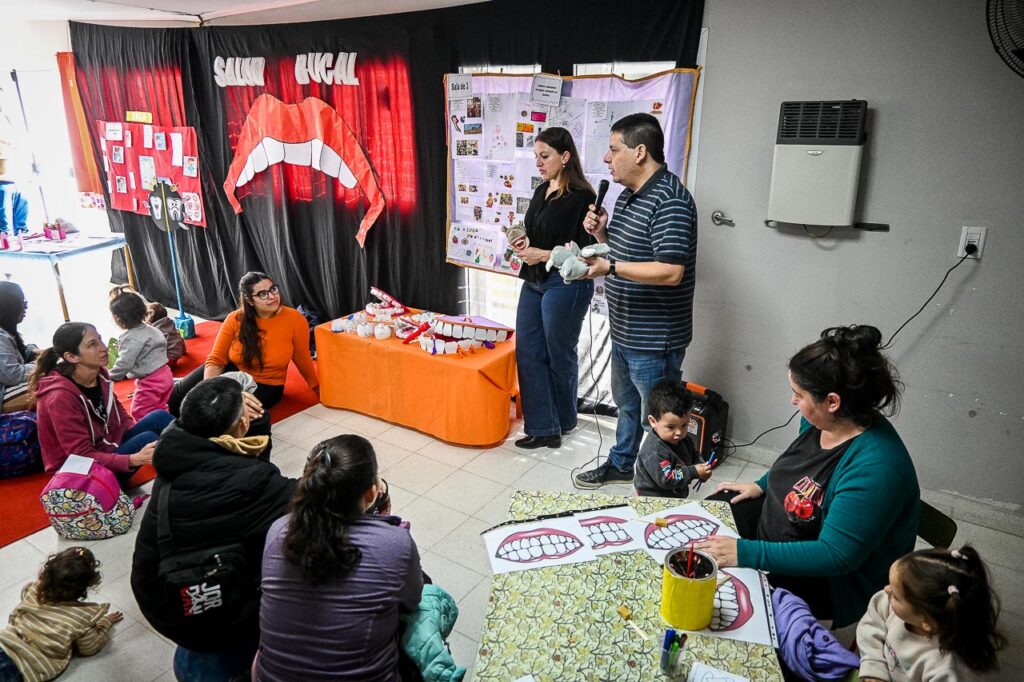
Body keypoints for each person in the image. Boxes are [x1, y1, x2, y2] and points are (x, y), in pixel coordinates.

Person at [695, 324, 920, 630]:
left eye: (798, 394)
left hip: (830, 579)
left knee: (729, 604)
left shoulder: (876, 468)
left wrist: (746, 553)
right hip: (786, 531)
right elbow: (802, 466)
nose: (793, 401)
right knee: (709, 514)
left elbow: (835, 555)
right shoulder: (824, 422)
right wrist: (762, 485)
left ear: (832, 401)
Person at [132, 376, 296, 682]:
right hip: (217, 623)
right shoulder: (251, 484)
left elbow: (239, 468)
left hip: (163, 600)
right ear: (241, 425)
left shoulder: (176, 455)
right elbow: (306, 497)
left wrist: (254, 424)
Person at [574, 113, 698, 488]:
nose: (607, 158)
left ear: (640, 152)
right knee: (627, 406)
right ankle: (623, 463)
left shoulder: (670, 200)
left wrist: (610, 267)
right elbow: (628, 254)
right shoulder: (630, 196)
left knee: (658, 419)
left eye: (614, 149)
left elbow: (671, 271)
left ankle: (659, 484)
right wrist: (603, 233)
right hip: (626, 331)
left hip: (655, 338)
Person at [256, 434, 423, 681]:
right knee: (432, 602)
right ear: (371, 494)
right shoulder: (395, 542)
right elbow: (411, 601)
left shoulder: (278, 530)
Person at [512, 127, 596, 449]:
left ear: (565, 157)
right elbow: (537, 233)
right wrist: (523, 242)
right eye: (536, 156)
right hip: (534, 279)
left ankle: (564, 419)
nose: (538, 162)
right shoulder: (540, 191)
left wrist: (544, 254)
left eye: (545, 156)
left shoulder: (583, 198)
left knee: (558, 353)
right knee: (528, 351)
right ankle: (543, 427)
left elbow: (587, 254)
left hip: (565, 283)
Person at [168, 272, 318, 445]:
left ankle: (190, 440)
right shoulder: (235, 318)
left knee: (220, 415)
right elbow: (216, 359)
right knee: (175, 401)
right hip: (231, 369)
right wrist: (209, 390)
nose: (272, 296)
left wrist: (315, 385)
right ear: (249, 300)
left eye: (273, 289)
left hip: (266, 384)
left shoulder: (295, 319)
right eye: (262, 294)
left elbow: (302, 356)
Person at [30, 322, 173, 479]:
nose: (103, 348)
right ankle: (186, 473)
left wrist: (132, 436)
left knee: (158, 417)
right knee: (148, 439)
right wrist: (132, 459)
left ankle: (192, 453)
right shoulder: (59, 398)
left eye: (100, 340)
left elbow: (119, 411)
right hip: (80, 474)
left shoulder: (100, 373)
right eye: (92, 344)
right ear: (71, 356)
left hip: (107, 446)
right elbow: (81, 455)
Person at [857, 545, 1006, 681]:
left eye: (895, 595)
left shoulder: (946, 671)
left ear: (927, 622)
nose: (886, 590)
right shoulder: (898, 605)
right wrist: (874, 667)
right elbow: (872, 621)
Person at [0, 548, 123, 682]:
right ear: (87, 586)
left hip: (4, 644)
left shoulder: (32, 590)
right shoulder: (81, 617)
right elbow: (90, 648)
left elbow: (22, 606)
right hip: (20, 667)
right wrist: (104, 624)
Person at [633, 380, 711, 498]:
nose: (679, 432)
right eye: (670, 427)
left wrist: (701, 466)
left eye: (684, 425)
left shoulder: (683, 438)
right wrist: (693, 472)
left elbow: (694, 454)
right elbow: (667, 478)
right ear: (653, 421)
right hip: (653, 498)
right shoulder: (654, 451)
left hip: (675, 493)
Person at [108, 291, 173, 420]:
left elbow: (124, 363)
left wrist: (108, 377)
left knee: (140, 411)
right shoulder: (152, 329)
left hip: (151, 381)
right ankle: (167, 423)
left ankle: (161, 428)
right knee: (159, 406)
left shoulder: (131, 338)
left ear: (118, 319)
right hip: (166, 374)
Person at [0, 282, 37, 412]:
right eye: (21, 302)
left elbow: (17, 353)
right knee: (52, 386)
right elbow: (12, 375)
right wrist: (40, 364)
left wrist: (34, 351)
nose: (25, 306)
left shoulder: (6, 333)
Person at [146, 302, 185, 367]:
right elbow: (180, 339)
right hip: (174, 359)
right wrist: (183, 351)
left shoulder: (154, 331)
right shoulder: (171, 325)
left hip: (163, 362)